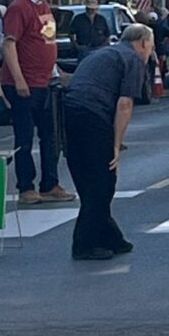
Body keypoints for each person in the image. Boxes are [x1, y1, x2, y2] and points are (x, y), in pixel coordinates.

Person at [63, 25, 154, 260]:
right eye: (151, 47)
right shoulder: (132, 59)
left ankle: (110, 236)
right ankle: (84, 244)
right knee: (103, 181)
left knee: (86, 177)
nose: (149, 53)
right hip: (94, 113)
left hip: (69, 110)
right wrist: (116, 145)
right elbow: (125, 104)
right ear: (143, 43)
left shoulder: (103, 53)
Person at [1, 0, 76, 206]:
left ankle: (50, 183)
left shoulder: (44, 8)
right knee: (24, 137)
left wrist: (57, 72)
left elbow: (47, 41)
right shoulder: (18, 8)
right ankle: (26, 187)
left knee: (50, 136)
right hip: (24, 82)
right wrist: (19, 79)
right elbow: (9, 44)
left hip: (46, 82)